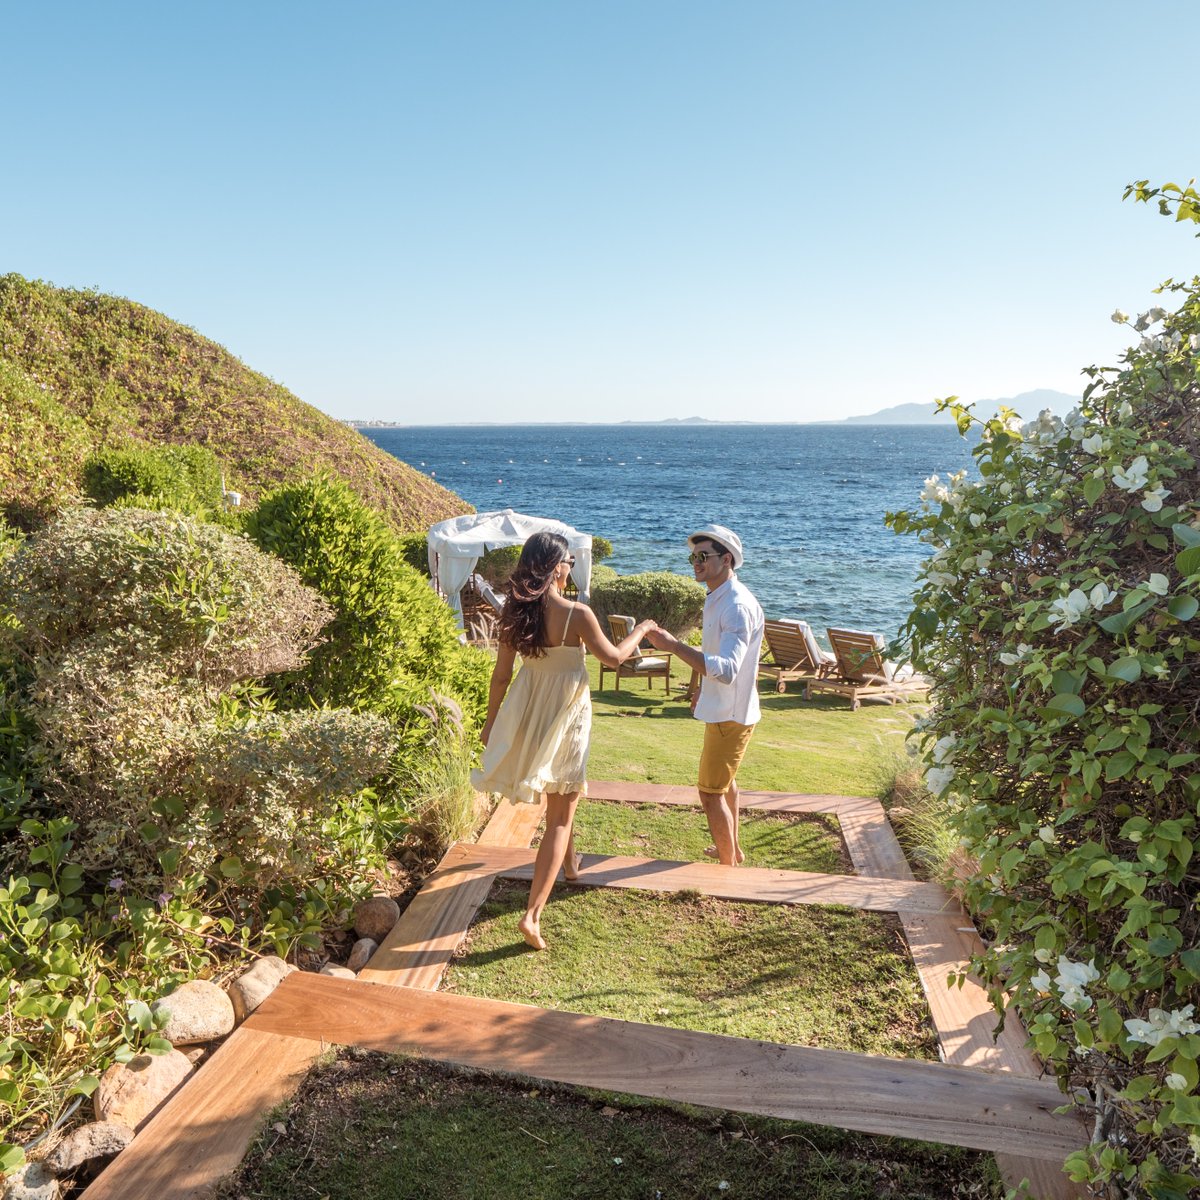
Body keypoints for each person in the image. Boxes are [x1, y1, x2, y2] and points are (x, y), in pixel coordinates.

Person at [473, 530, 657, 950]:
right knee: (559, 813)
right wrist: (643, 629)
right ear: (557, 567)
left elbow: (501, 676)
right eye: (569, 562)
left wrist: (491, 723)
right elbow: (615, 658)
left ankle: (571, 865)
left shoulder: (514, 612)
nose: (571, 568)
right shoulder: (577, 614)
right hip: (567, 714)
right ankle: (533, 915)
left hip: (529, 711)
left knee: (560, 800)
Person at [645, 524, 764, 867]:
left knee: (710, 794)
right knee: (726, 784)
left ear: (726, 560)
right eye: (693, 557)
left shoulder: (736, 606)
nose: (696, 563)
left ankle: (727, 868)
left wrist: (673, 645)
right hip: (725, 709)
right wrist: (699, 688)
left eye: (703, 556)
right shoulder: (718, 595)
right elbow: (714, 652)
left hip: (731, 714)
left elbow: (726, 670)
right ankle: (733, 850)